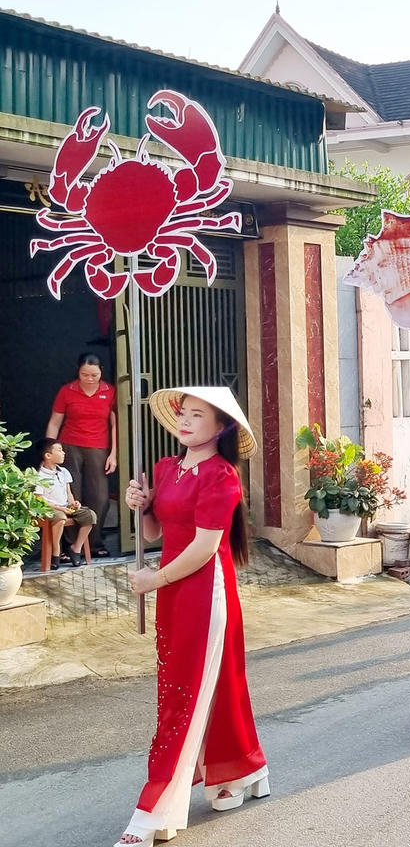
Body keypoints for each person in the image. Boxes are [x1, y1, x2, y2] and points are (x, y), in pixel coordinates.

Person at [116, 387, 267, 847]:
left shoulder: (222, 477)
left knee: (184, 694)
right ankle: (246, 768)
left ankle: (154, 812)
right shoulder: (165, 468)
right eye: (183, 413)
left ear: (220, 428)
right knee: (212, 684)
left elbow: (204, 548)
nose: (185, 421)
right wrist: (140, 506)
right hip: (173, 592)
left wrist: (154, 579)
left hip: (205, 591)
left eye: (198, 415)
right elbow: (156, 530)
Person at [45, 352, 117, 557]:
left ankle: (93, 543)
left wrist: (114, 454)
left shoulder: (110, 391)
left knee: (99, 497)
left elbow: (115, 425)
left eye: (94, 375)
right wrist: (49, 452)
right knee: (70, 495)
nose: (90, 378)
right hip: (70, 447)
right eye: (85, 374)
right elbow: (54, 422)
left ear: (101, 371)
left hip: (98, 447)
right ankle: (69, 545)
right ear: (78, 371)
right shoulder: (67, 391)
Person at [32, 438, 97, 568]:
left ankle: (76, 548)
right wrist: (60, 509)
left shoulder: (64, 472)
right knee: (60, 518)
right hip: (49, 509)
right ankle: (56, 551)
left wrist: (74, 503)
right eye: (59, 450)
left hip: (65, 507)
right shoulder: (39, 476)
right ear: (48, 455)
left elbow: (69, 493)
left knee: (90, 515)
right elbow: (39, 500)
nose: (63, 453)